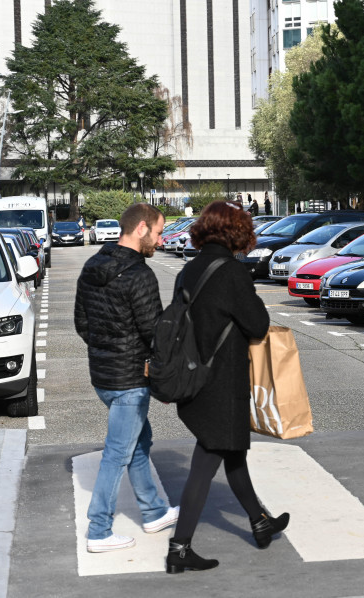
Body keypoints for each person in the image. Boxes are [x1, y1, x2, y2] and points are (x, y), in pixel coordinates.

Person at [166, 200, 287, 574]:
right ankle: (180, 548)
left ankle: (259, 521)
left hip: (193, 378)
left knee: (232, 454)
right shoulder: (232, 273)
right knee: (205, 464)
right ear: (236, 232)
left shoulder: (188, 270)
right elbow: (257, 325)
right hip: (222, 384)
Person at [74, 203, 179, 553]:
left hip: (103, 375)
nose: (161, 240)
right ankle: (99, 531)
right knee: (118, 453)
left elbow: (82, 323)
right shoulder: (139, 274)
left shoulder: (92, 266)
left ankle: (153, 511)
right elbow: (155, 332)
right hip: (131, 379)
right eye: (159, 232)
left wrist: (107, 349)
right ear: (141, 229)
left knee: (137, 443)